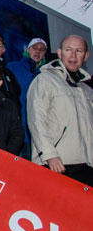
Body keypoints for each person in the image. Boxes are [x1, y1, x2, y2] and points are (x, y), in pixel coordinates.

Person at [27, 35, 93, 186]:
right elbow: (36, 120)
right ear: (59, 52)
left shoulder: (87, 90)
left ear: (86, 56)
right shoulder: (44, 80)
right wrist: (50, 154)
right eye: (68, 50)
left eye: (79, 51)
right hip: (57, 164)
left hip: (86, 165)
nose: (73, 55)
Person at [7, 38, 47, 159]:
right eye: (34, 48)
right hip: (19, 129)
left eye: (42, 49)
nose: (38, 52)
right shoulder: (12, 67)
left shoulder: (48, 73)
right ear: (28, 50)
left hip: (42, 132)